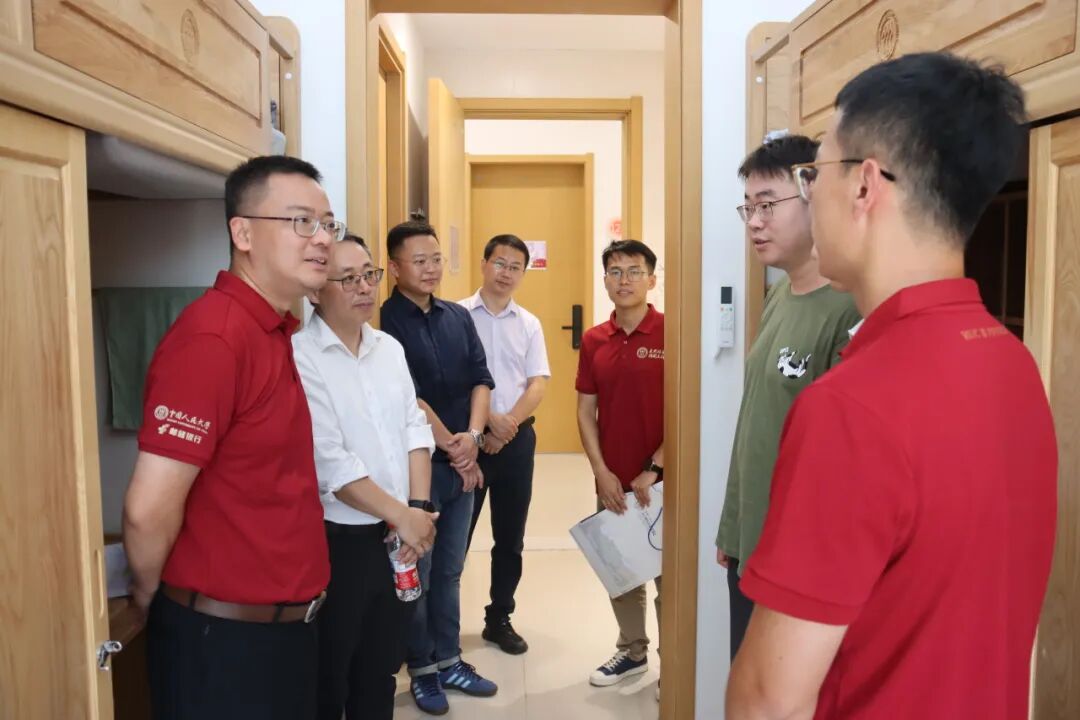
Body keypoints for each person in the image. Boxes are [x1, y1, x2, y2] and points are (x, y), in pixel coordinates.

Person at [726, 52, 1057, 720]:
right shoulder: (1014, 362)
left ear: (864, 185)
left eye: (813, 172)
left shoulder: (850, 406)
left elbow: (768, 703)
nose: (809, 193)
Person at [122, 156, 343, 720]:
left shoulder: (271, 330)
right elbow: (147, 510)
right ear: (242, 233)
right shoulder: (214, 338)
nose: (322, 239)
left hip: (283, 632)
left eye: (328, 223)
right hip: (223, 643)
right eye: (301, 221)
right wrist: (149, 598)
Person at [715, 134, 861, 660]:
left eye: (768, 205)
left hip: (798, 565)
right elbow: (755, 423)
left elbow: (842, 463)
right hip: (751, 547)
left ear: (813, 195)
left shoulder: (849, 309)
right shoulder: (778, 294)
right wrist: (733, 529)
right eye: (748, 208)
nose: (754, 222)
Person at [292, 233, 439, 720]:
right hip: (339, 541)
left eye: (369, 275)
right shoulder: (300, 355)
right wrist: (404, 517)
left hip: (397, 537)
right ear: (316, 290)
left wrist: (416, 511)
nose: (364, 287)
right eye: (348, 278)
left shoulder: (388, 348)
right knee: (333, 671)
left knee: (381, 667)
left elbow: (414, 428)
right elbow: (331, 463)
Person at [380, 220, 499, 715]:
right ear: (395, 268)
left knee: (450, 570)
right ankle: (423, 669)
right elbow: (409, 399)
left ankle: (450, 660)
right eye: (419, 261)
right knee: (419, 574)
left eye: (436, 259)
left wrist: (472, 439)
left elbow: (480, 379)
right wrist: (455, 448)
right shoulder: (384, 324)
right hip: (419, 469)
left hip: (461, 461)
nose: (431, 269)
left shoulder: (457, 316)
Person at [576, 239, 665, 688]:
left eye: (634, 271)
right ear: (605, 280)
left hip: (663, 481)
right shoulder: (595, 340)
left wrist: (658, 467)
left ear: (652, 279)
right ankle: (632, 652)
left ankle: (675, 664)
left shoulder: (672, 332)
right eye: (615, 271)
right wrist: (601, 472)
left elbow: (689, 405)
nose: (624, 280)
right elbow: (584, 412)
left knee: (668, 575)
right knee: (622, 570)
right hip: (612, 480)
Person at [460, 234, 550, 656]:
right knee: (455, 539)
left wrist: (506, 425)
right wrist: (485, 426)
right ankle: (440, 625)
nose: (506, 272)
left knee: (510, 537)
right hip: (467, 442)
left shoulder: (529, 323)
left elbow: (538, 383)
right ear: (484, 264)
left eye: (515, 266)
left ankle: (499, 618)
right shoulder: (457, 316)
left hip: (515, 442)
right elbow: (451, 380)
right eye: (499, 263)